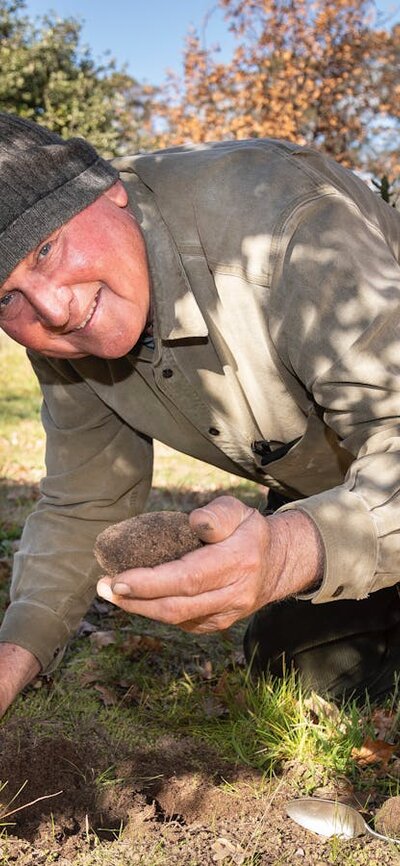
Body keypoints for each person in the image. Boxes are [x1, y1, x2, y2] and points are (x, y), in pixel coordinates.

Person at [0, 112, 399, 716]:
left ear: (106, 187)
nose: (53, 309)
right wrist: (11, 659)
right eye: (5, 297)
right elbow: (83, 504)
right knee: (304, 671)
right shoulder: (63, 336)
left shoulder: (284, 224)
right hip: (339, 494)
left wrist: (285, 554)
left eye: (46, 249)